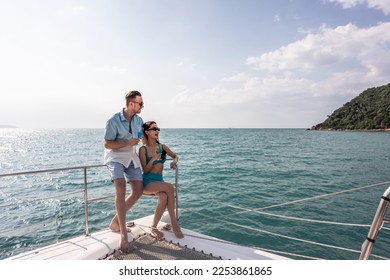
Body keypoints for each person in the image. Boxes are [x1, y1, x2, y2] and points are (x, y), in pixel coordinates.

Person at [103, 90, 144, 253]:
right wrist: (127, 142)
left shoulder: (139, 120)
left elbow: (140, 137)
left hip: (131, 156)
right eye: (140, 103)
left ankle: (115, 222)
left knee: (138, 191)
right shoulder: (113, 120)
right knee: (120, 187)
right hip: (115, 156)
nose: (142, 106)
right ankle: (123, 236)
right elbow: (107, 144)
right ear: (131, 104)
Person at [139, 121, 184, 240]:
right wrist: (153, 159)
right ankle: (174, 224)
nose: (157, 131)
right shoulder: (143, 149)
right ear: (147, 132)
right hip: (147, 182)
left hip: (159, 183)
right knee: (169, 187)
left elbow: (175, 156)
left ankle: (153, 227)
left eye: (158, 129)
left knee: (164, 197)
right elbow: (145, 170)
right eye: (154, 129)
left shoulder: (162, 147)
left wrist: (173, 161)